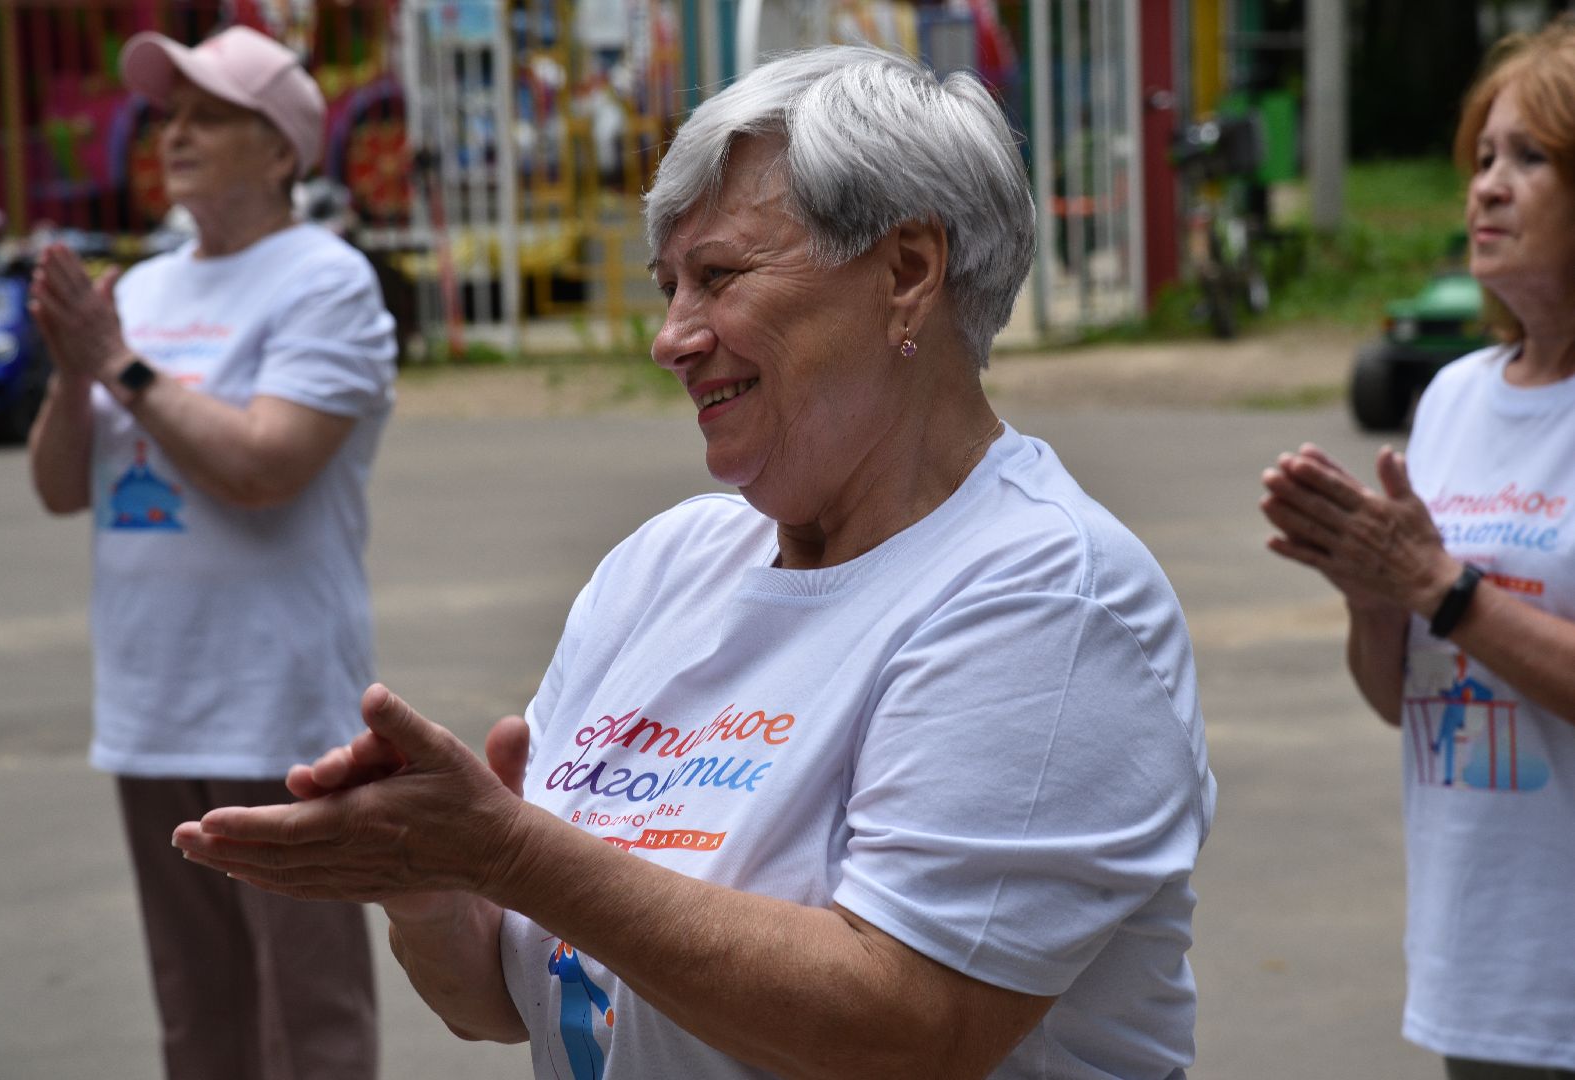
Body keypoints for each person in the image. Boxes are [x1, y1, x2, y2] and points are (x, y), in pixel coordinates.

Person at [174, 46, 1215, 1079]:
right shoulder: (666, 565)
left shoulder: (1045, 597)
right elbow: (504, 999)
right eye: (669, 285)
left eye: (717, 277)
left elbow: (908, 1027)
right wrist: (431, 883)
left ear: (907, 273)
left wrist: (510, 852)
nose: (671, 338)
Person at [26, 25, 396, 1080]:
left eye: (208, 115)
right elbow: (61, 490)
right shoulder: (138, 289)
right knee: (199, 1015)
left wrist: (120, 366)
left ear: (281, 149)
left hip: (275, 707)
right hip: (152, 703)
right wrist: (70, 375)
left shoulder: (325, 283)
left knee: (309, 1019)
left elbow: (265, 466)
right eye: (169, 114)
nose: (174, 133)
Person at [1260, 19, 1575, 1079]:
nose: (1488, 186)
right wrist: (1371, 598)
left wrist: (1439, 588)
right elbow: (1404, 701)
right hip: (1477, 971)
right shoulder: (1451, 399)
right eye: (1482, 158)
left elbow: (1451, 601)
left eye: (1531, 158)